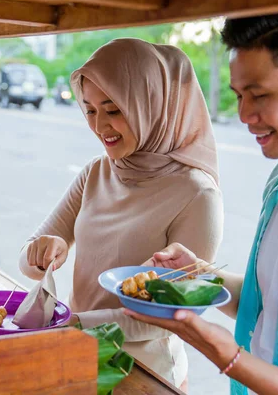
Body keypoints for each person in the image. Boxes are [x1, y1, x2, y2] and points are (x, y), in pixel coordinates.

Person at [127, 6, 278, 394]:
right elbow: (271, 305)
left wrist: (230, 358)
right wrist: (201, 276)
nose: (243, 114)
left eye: (259, 95)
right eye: (239, 95)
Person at [18, 38, 224, 389]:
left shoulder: (196, 194)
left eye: (113, 110)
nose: (100, 127)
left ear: (152, 106)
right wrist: (42, 253)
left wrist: (74, 323)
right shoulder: (96, 172)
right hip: (79, 356)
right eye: (90, 110)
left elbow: (168, 315)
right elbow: (27, 261)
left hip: (144, 373)